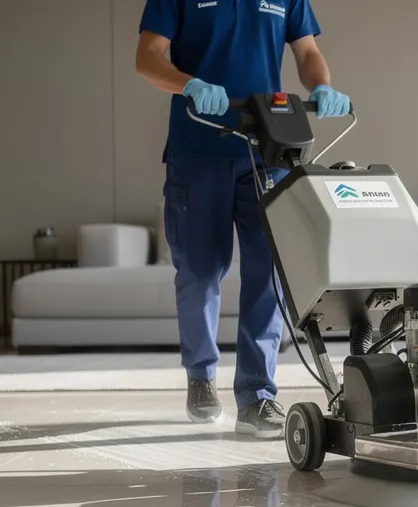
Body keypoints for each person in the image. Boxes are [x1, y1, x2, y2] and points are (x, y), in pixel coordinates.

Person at [135, 0, 351, 438]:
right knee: (200, 269)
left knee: (269, 271)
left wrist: (322, 86)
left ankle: (256, 396)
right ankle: (200, 375)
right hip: (198, 146)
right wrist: (189, 83)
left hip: (267, 147)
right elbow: (148, 56)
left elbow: (307, 52)